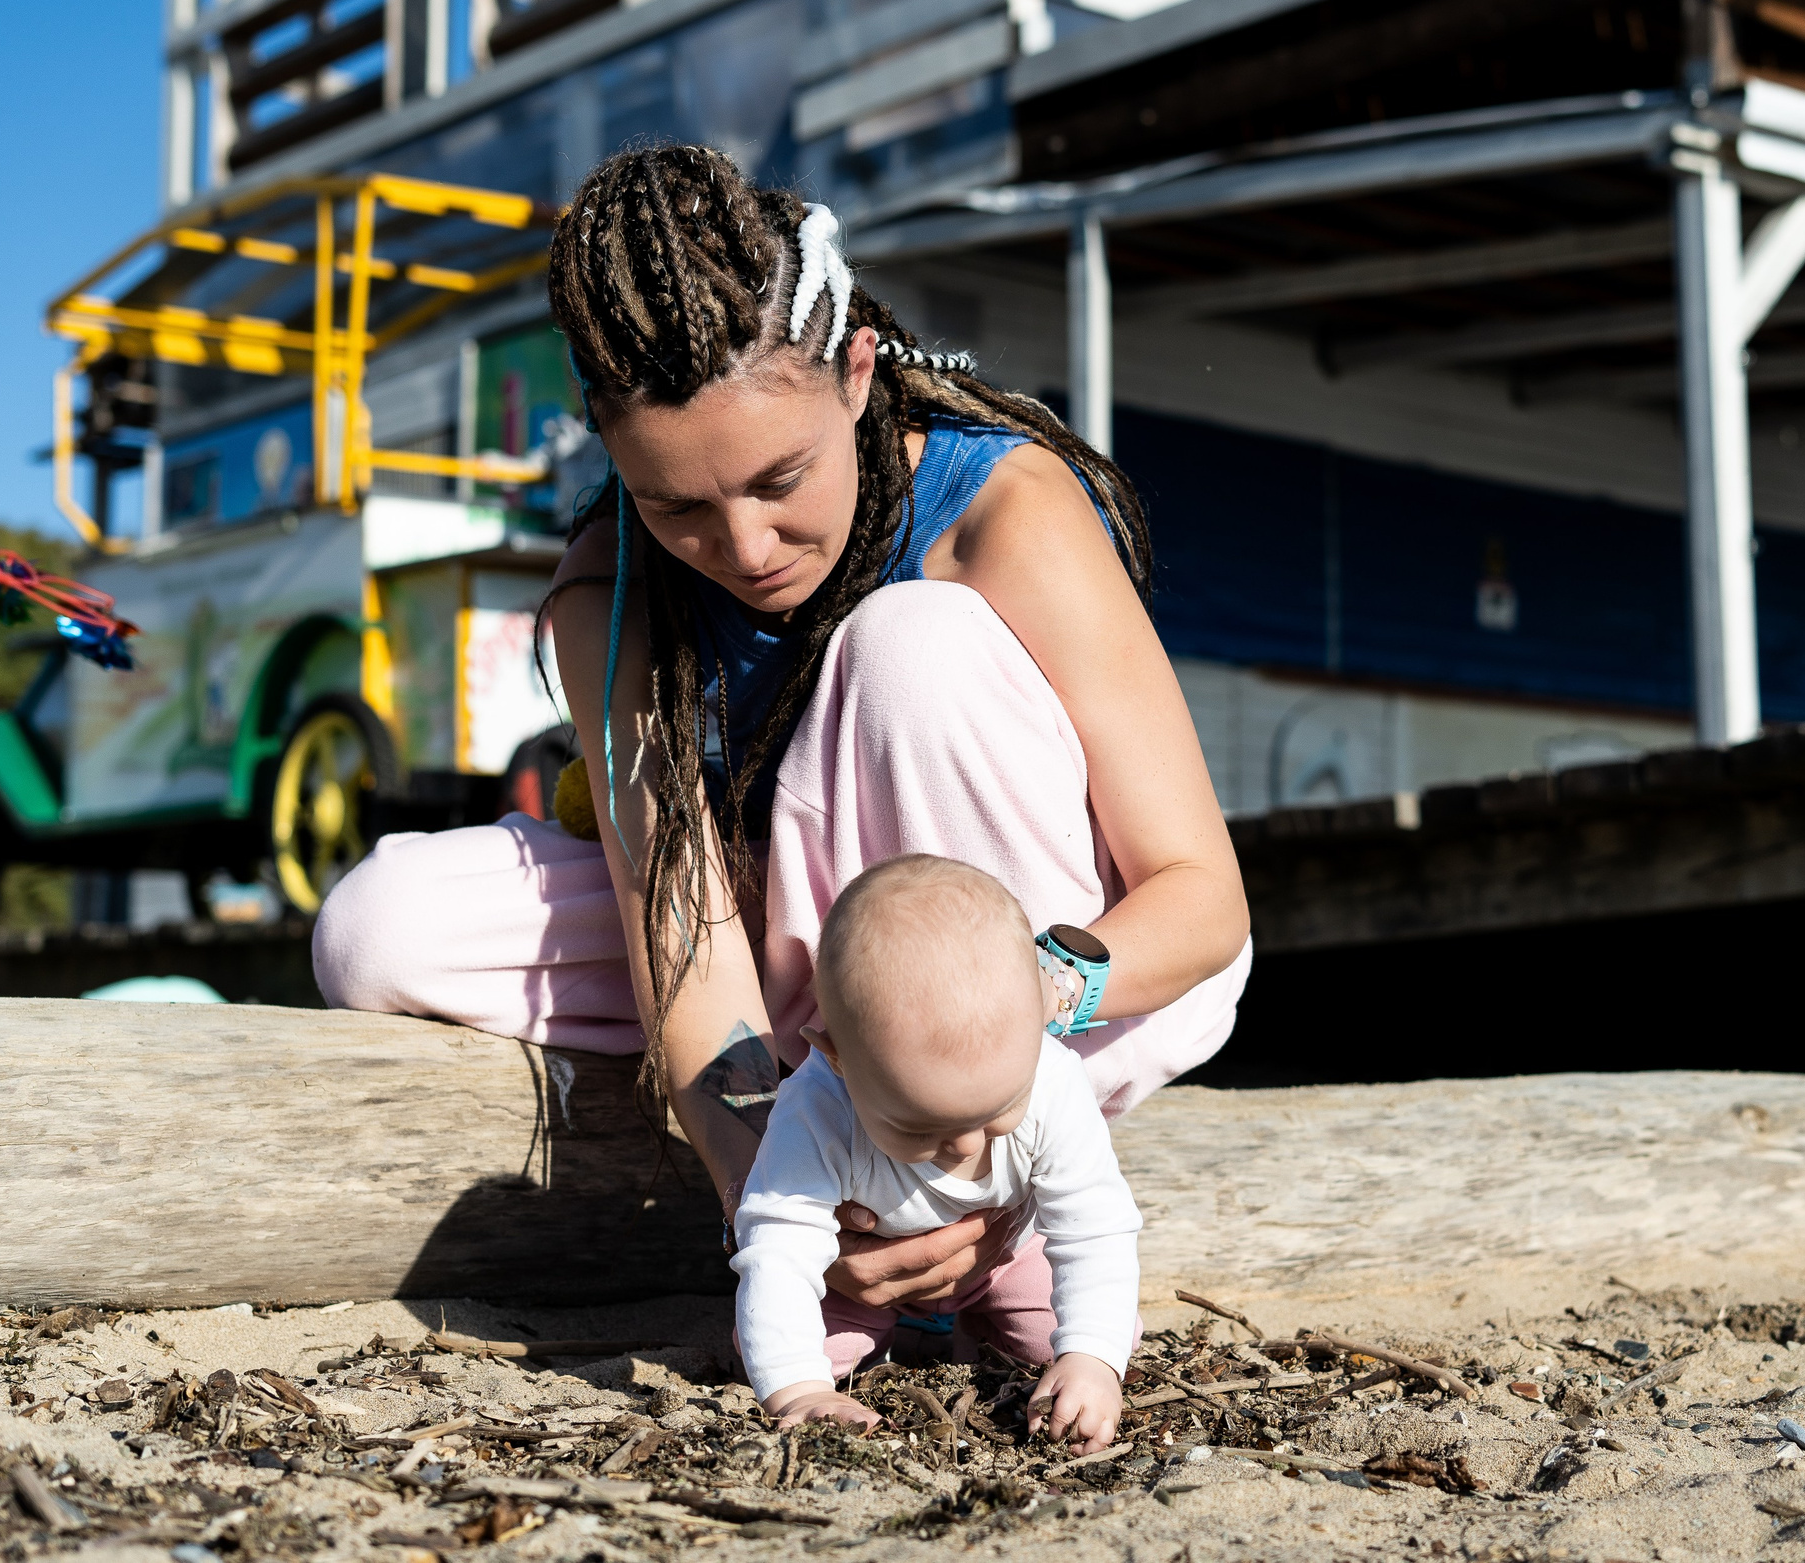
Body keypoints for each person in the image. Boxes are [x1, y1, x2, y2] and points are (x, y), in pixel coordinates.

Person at [315, 143, 1251, 1319]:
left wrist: (997, 1021)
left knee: (908, 646)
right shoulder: (608, 588)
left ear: (857, 373)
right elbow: (684, 928)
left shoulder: (1003, 510)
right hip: (791, 948)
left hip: (1054, 968)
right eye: (677, 506)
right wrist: (774, 1196)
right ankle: (852, 1124)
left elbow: (1201, 895)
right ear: (610, 453)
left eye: (780, 478)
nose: (745, 547)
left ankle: (981, 1165)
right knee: (379, 931)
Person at [735, 855, 1138, 1453]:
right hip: (853, 1274)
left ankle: (980, 1328)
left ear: (1045, 1017)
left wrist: (1092, 1358)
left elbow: (1094, 1226)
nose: (970, 1146)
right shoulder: (816, 1111)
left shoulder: (1053, 1080)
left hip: (1009, 1256)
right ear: (837, 1060)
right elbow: (779, 1254)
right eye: (920, 1127)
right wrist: (799, 1390)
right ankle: (881, 1346)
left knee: (1088, 1340)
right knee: (781, 1352)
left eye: (1002, 1109)